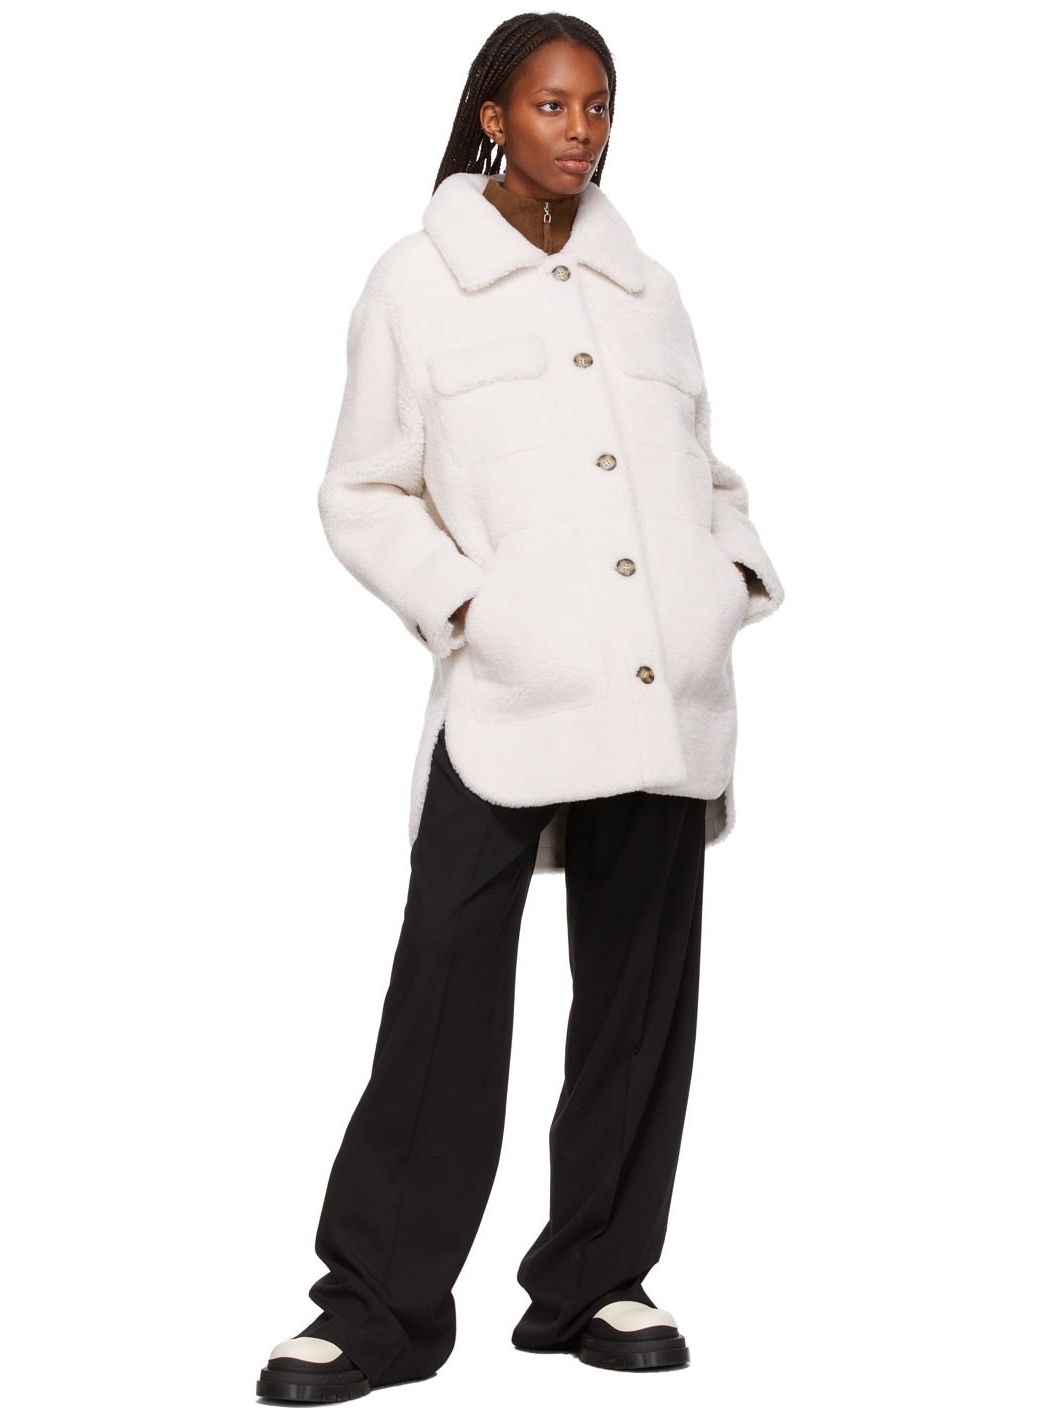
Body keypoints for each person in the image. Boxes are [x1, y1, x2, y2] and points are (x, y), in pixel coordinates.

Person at [256, 11, 783, 1402]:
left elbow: (709, 471)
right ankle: (378, 1306)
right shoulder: (417, 283)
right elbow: (363, 489)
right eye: (553, 105)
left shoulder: (649, 288)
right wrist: (473, 609)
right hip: (511, 691)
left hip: (664, 688)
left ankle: (597, 1277)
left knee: (637, 998)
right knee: (444, 989)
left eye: (599, 106)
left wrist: (725, 580)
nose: (581, 131)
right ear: (493, 115)